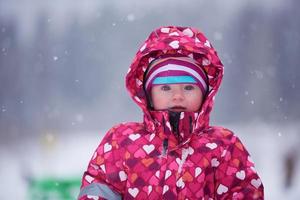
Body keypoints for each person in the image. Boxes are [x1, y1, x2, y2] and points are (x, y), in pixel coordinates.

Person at [78, 26, 264, 199]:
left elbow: (244, 192)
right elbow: (98, 189)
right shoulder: (121, 141)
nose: (177, 96)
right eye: (166, 88)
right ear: (149, 94)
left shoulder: (223, 146)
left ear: (205, 93)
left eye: (189, 87)